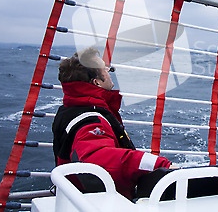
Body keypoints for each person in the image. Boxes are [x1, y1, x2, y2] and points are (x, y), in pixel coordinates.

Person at [52, 47, 171, 201]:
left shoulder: (70, 109)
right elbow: (98, 158)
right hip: (96, 202)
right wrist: (159, 165)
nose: (109, 72)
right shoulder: (90, 121)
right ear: (97, 82)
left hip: (76, 196)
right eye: (106, 70)